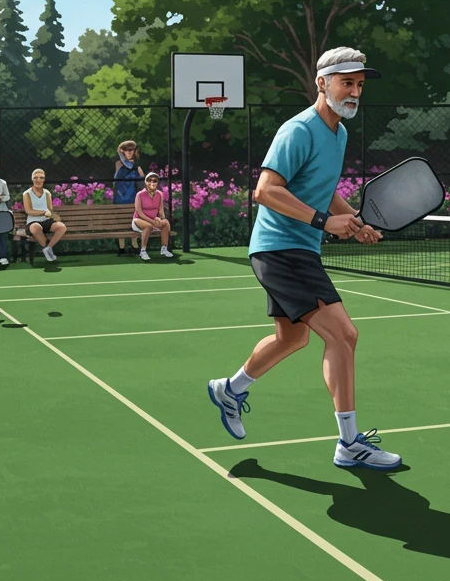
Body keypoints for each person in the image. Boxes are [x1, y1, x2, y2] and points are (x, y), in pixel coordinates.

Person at [206, 46, 400, 470]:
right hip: (281, 249)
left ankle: (230, 389)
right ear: (322, 83)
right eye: (346, 82)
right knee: (344, 335)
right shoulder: (299, 130)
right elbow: (265, 191)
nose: (354, 92)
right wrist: (322, 222)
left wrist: (352, 219)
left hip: (298, 248)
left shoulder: (339, 133)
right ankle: (349, 443)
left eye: (359, 85)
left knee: (293, 338)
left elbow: (323, 187)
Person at [23, 169, 68, 262]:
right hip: (33, 222)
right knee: (36, 227)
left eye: (41, 178)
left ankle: (48, 248)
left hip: (47, 221)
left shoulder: (47, 193)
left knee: (62, 227)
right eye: (36, 178)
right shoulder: (27, 193)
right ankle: (47, 249)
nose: (38, 180)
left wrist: (53, 215)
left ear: (44, 179)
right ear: (32, 179)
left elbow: (50, 209)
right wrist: (43, 212)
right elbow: (29, 211)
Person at [132, 172, 175, 260]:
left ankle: (164, 249)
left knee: (165, 223)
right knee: (148, 226)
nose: (152, 182)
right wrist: (152, 222)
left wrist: (160, 219)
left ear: (157, 182)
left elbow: (160, 210)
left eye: (154, 181)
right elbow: (139, 213)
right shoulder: (140, 195)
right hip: (138, 220)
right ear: (145, 182)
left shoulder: (159, 194)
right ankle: (143, 251)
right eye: (149, 180)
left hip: (153, 220)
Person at [113, 140, 144, 256]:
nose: (129, 152)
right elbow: (121, 154)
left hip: (133, 198)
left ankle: (134, 246)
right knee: (120, 222)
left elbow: (143, 184)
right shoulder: (119, 164)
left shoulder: (138, 168)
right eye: (126, 150)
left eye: (131, 150)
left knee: (133, 222)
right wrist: (121, 149)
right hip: (120, 199)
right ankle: (122, 248)